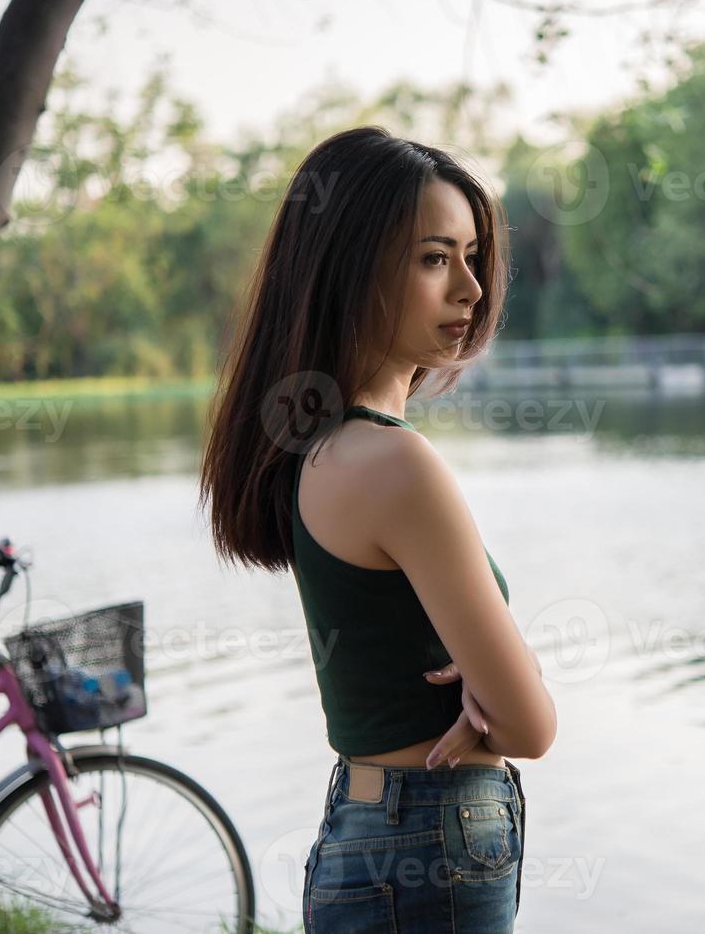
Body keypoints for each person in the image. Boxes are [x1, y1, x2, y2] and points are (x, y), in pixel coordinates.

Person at [198, 125, 557, 932]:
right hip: (432, 837)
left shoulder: (321, 446)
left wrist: (498, 672)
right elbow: (531, 727)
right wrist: (510, 670)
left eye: (472, 255)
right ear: (350, 268)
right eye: (434, 258)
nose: (469, 287)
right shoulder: (395, 466)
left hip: (373, 830)